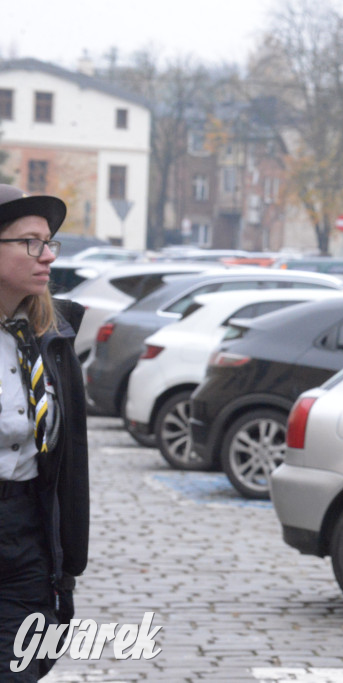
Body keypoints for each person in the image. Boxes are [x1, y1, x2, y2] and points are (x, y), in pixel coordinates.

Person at [0, 184, 89, 680]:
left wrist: (67, 559)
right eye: (31, 241)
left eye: (50, 241)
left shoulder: (49, 340)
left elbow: (69, 458)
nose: (48, 254)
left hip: (25, 532)